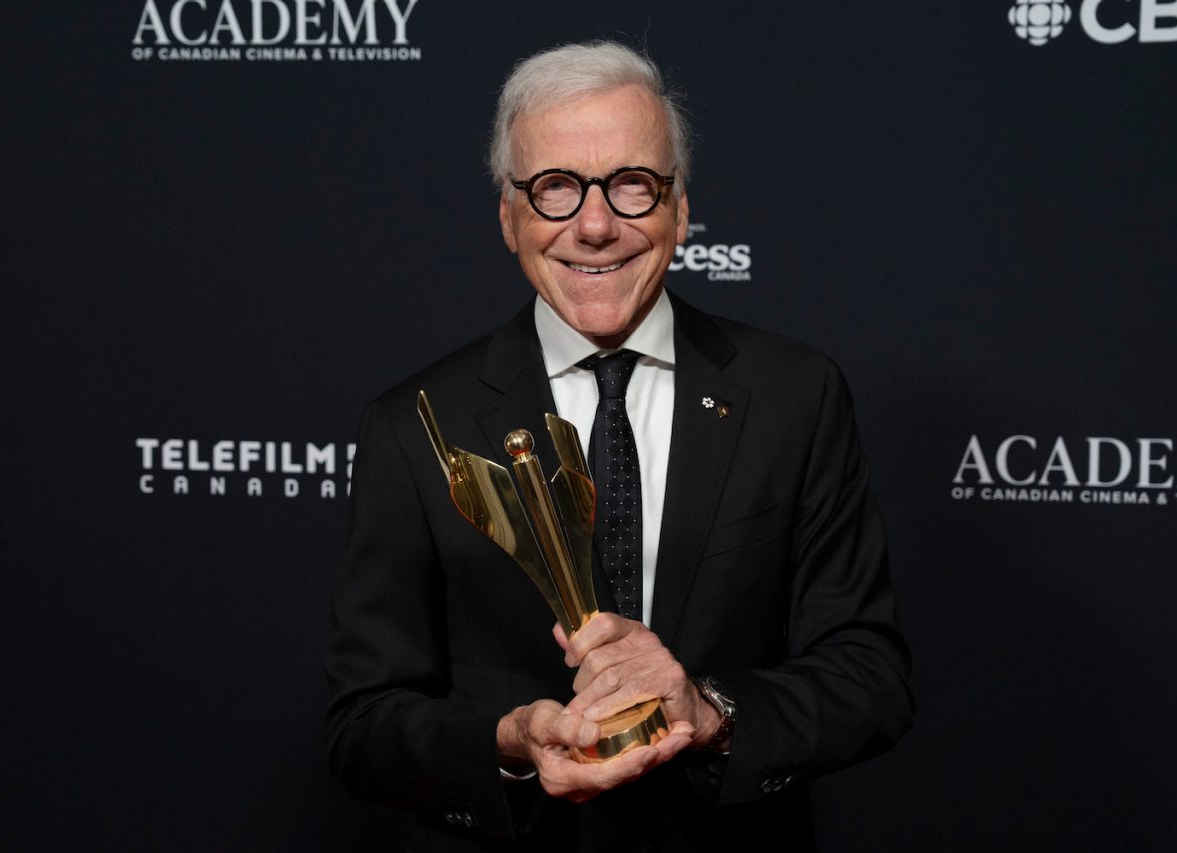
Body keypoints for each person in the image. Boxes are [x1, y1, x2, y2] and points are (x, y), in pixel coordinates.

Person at [326, 41, 913, 852]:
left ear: (678, 209)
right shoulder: (415, 423)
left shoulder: (794, 396)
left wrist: (709, 710)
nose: (595, 225)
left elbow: (869, 675)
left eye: (631, 185)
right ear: (509, 216)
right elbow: (364, 722)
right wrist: (511, 740)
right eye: (555, 188)